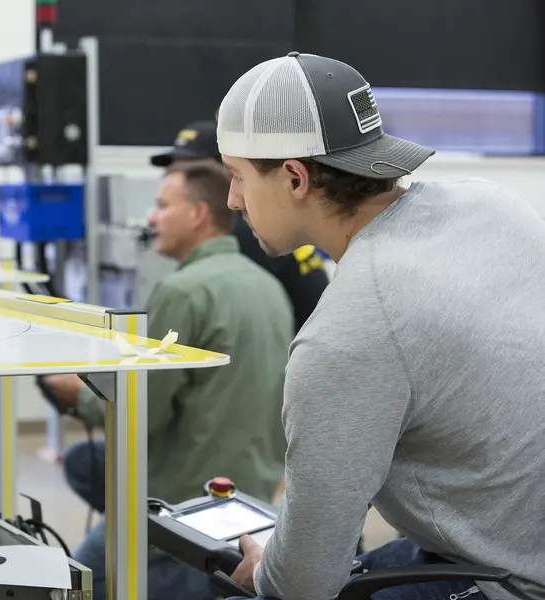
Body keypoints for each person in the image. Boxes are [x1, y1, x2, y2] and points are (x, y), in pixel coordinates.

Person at [216, 52, 545, 600]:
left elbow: (302, 584)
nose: (232, 200)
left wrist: (267, 571)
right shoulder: (492, 204)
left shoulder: (348, 333)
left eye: (237, 176)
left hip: (508, 576)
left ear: (295, 177)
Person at [43, 161, 293, 600]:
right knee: (83, 461)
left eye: (161, 205)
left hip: (183, 499)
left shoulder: (184, 291)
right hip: (249, 490)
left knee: (70, 582)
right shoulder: (267, 286)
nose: (151, 218)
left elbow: (142, 411)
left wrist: (76, 393)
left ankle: (161, 562)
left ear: (197, 214)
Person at [150, 120, 330, 333]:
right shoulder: (263, 222)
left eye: (192, 170)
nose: (178, 176)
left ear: (226, 169)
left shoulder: (245, 232)